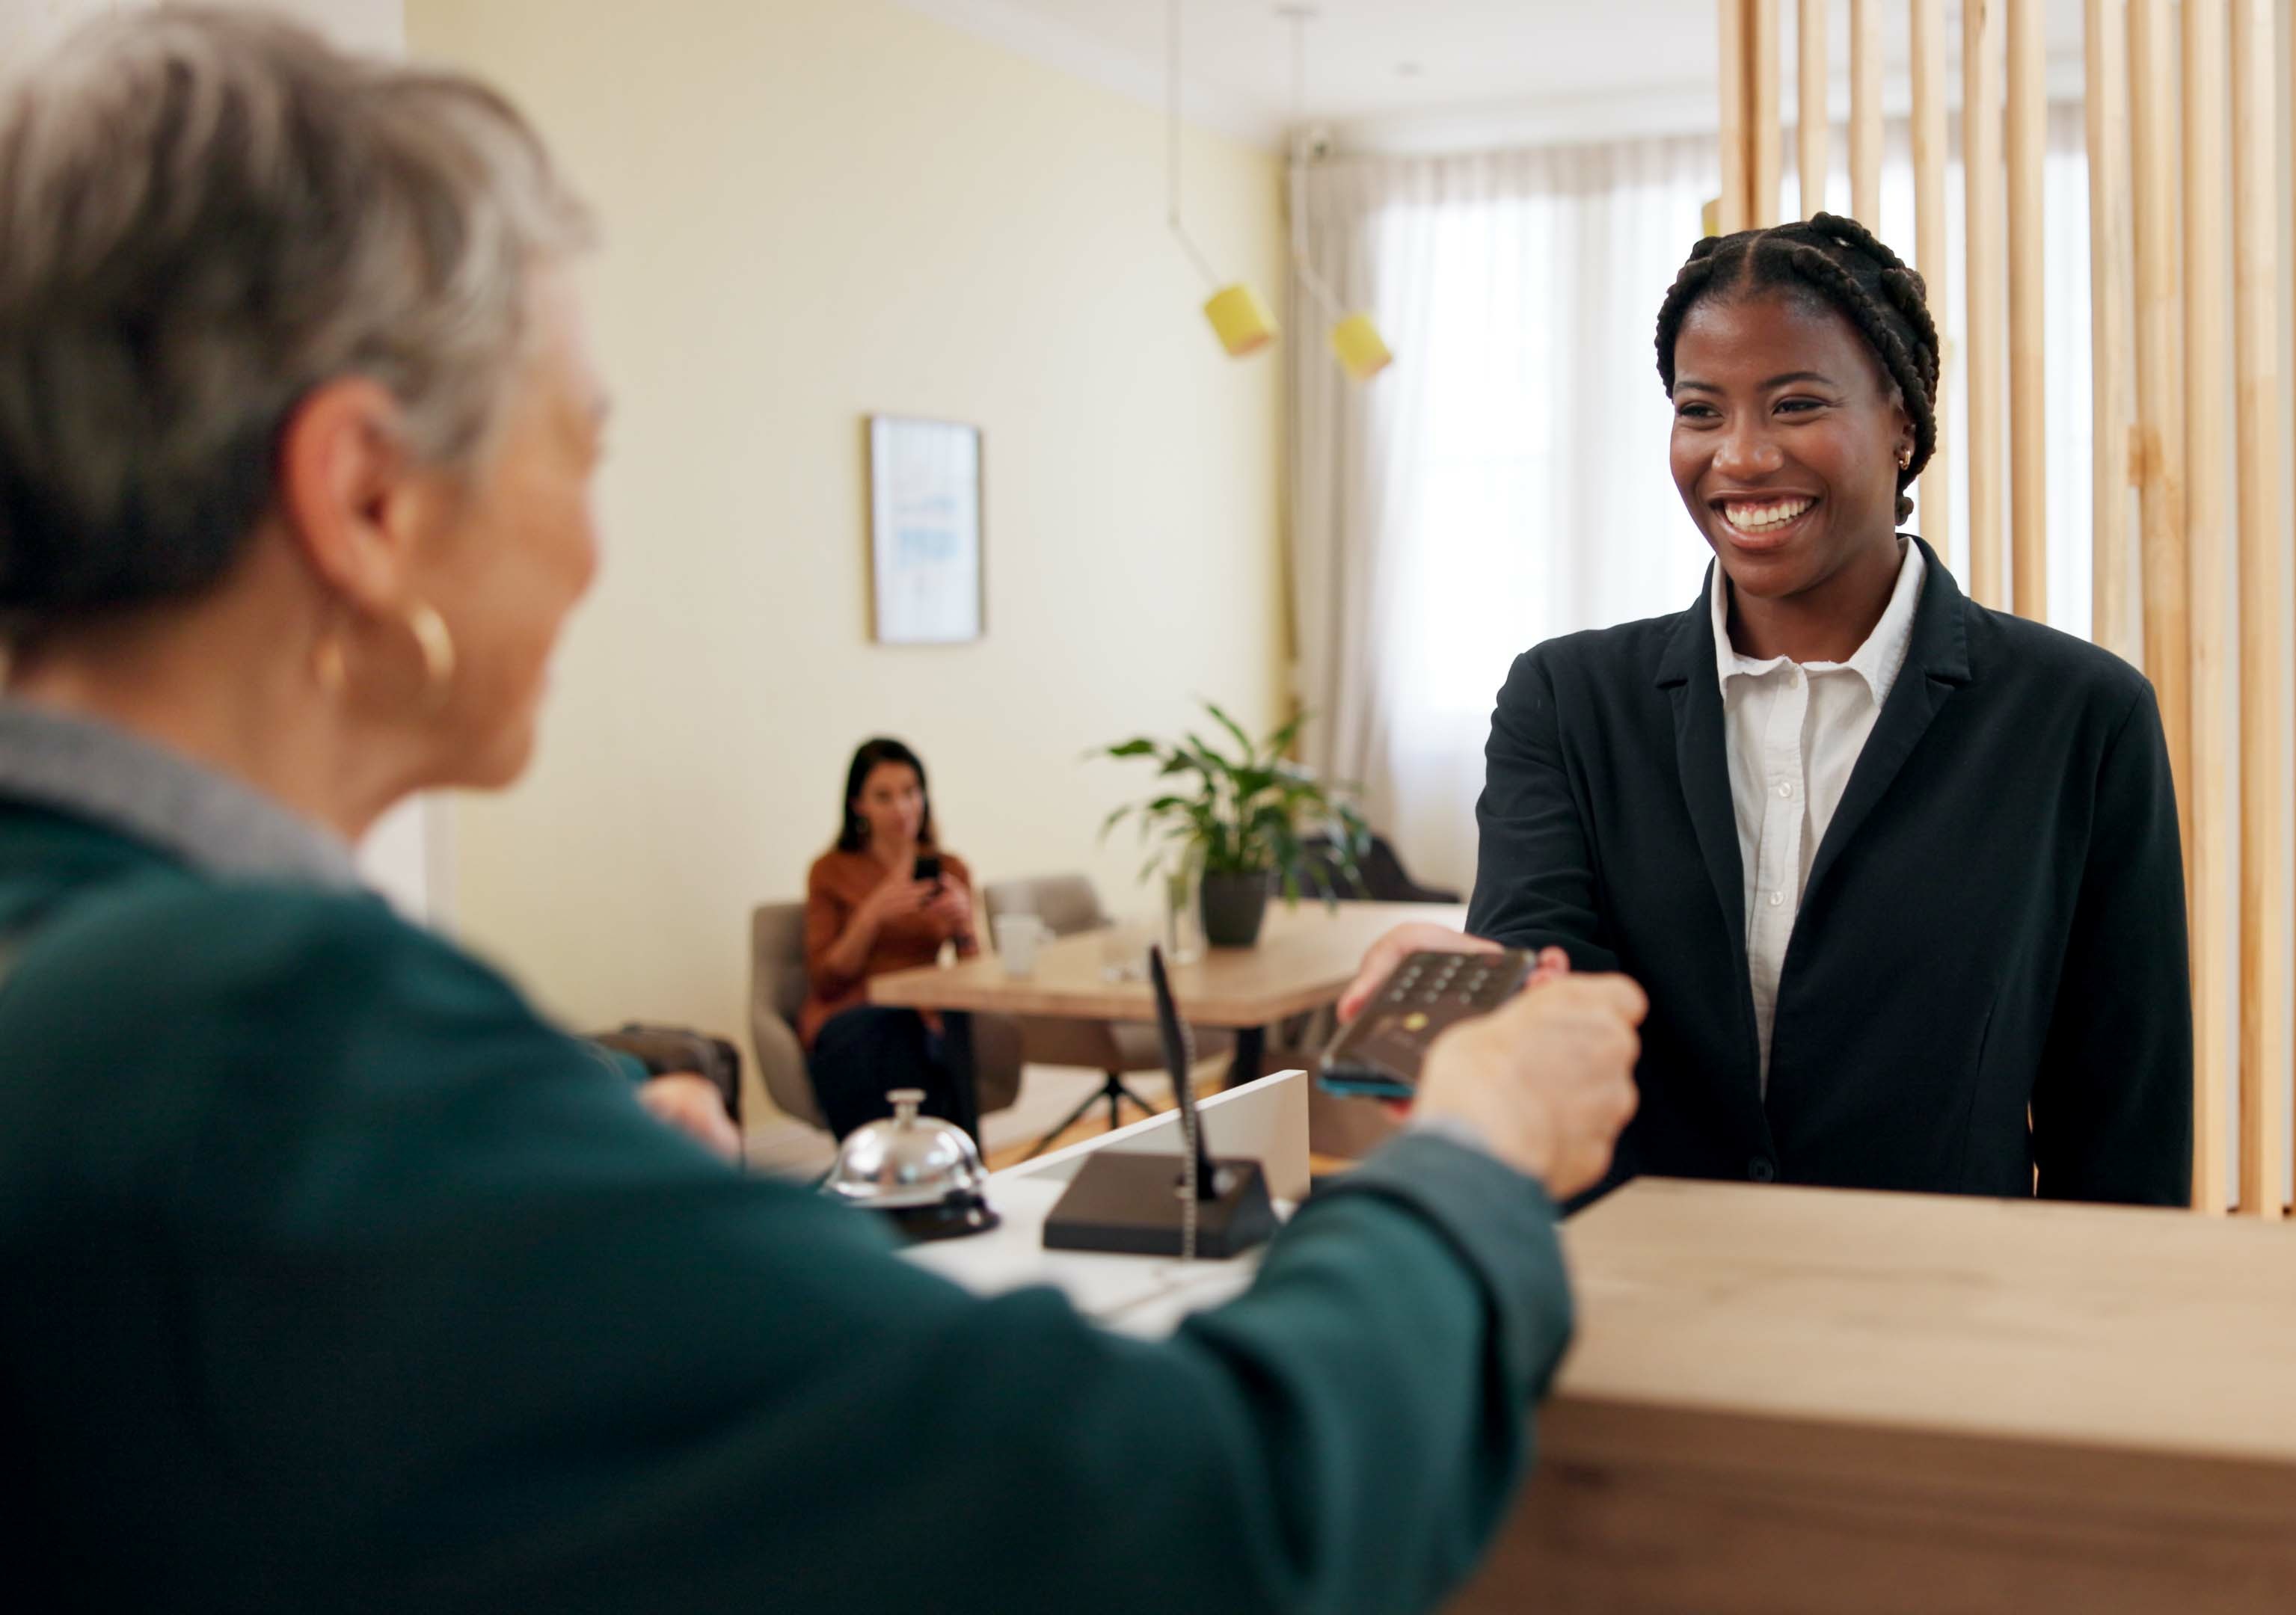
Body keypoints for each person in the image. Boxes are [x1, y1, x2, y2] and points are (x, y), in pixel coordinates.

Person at [0, 13, 1641, 1612]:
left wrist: (558, 1196)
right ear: (365, 496)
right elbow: (1196, 1512)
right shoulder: (267, 1045)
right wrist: (1473, 1153)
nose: (591, 547)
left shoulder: (124, 998)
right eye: (579, 445)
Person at [1346, 213, 2190, 1205]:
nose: (1739, 457)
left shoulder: (2078, 718)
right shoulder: (1567, 702)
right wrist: (1476, 986)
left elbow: (2125, 1115)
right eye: (1701, 410)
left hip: (1945, 1315)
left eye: (1795, 405)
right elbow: (1546, 987)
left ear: (1903, 424)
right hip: (1633, 1296)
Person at [799, 735, 987, 1139]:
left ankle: (955, 1173)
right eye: (884, 797)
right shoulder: (831, 871)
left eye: (910, 793)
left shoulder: (948, 868)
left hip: (923, 1016)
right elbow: (825, 980)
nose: (902, 808)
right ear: (858, 805)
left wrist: (965, 928)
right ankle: (897, 1175)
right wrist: (871, 916)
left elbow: (978, 982)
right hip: (853, 1015)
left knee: (946, 1034)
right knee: (897, 1032)